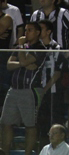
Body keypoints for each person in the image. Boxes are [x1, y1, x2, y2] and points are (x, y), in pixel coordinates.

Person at [0, 22, 45, 155]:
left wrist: (21, 56)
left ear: (37, 32)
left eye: (30, 30)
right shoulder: (21, 47)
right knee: (6, 122)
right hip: (13, 89)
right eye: (25, 30)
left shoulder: (39, 47)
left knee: (30, 125)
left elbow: (25, 61)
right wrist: (23, 63)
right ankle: (6, 151)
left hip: (28, 90)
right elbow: (9, 65)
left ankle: (27, 153)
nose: (26, 33)